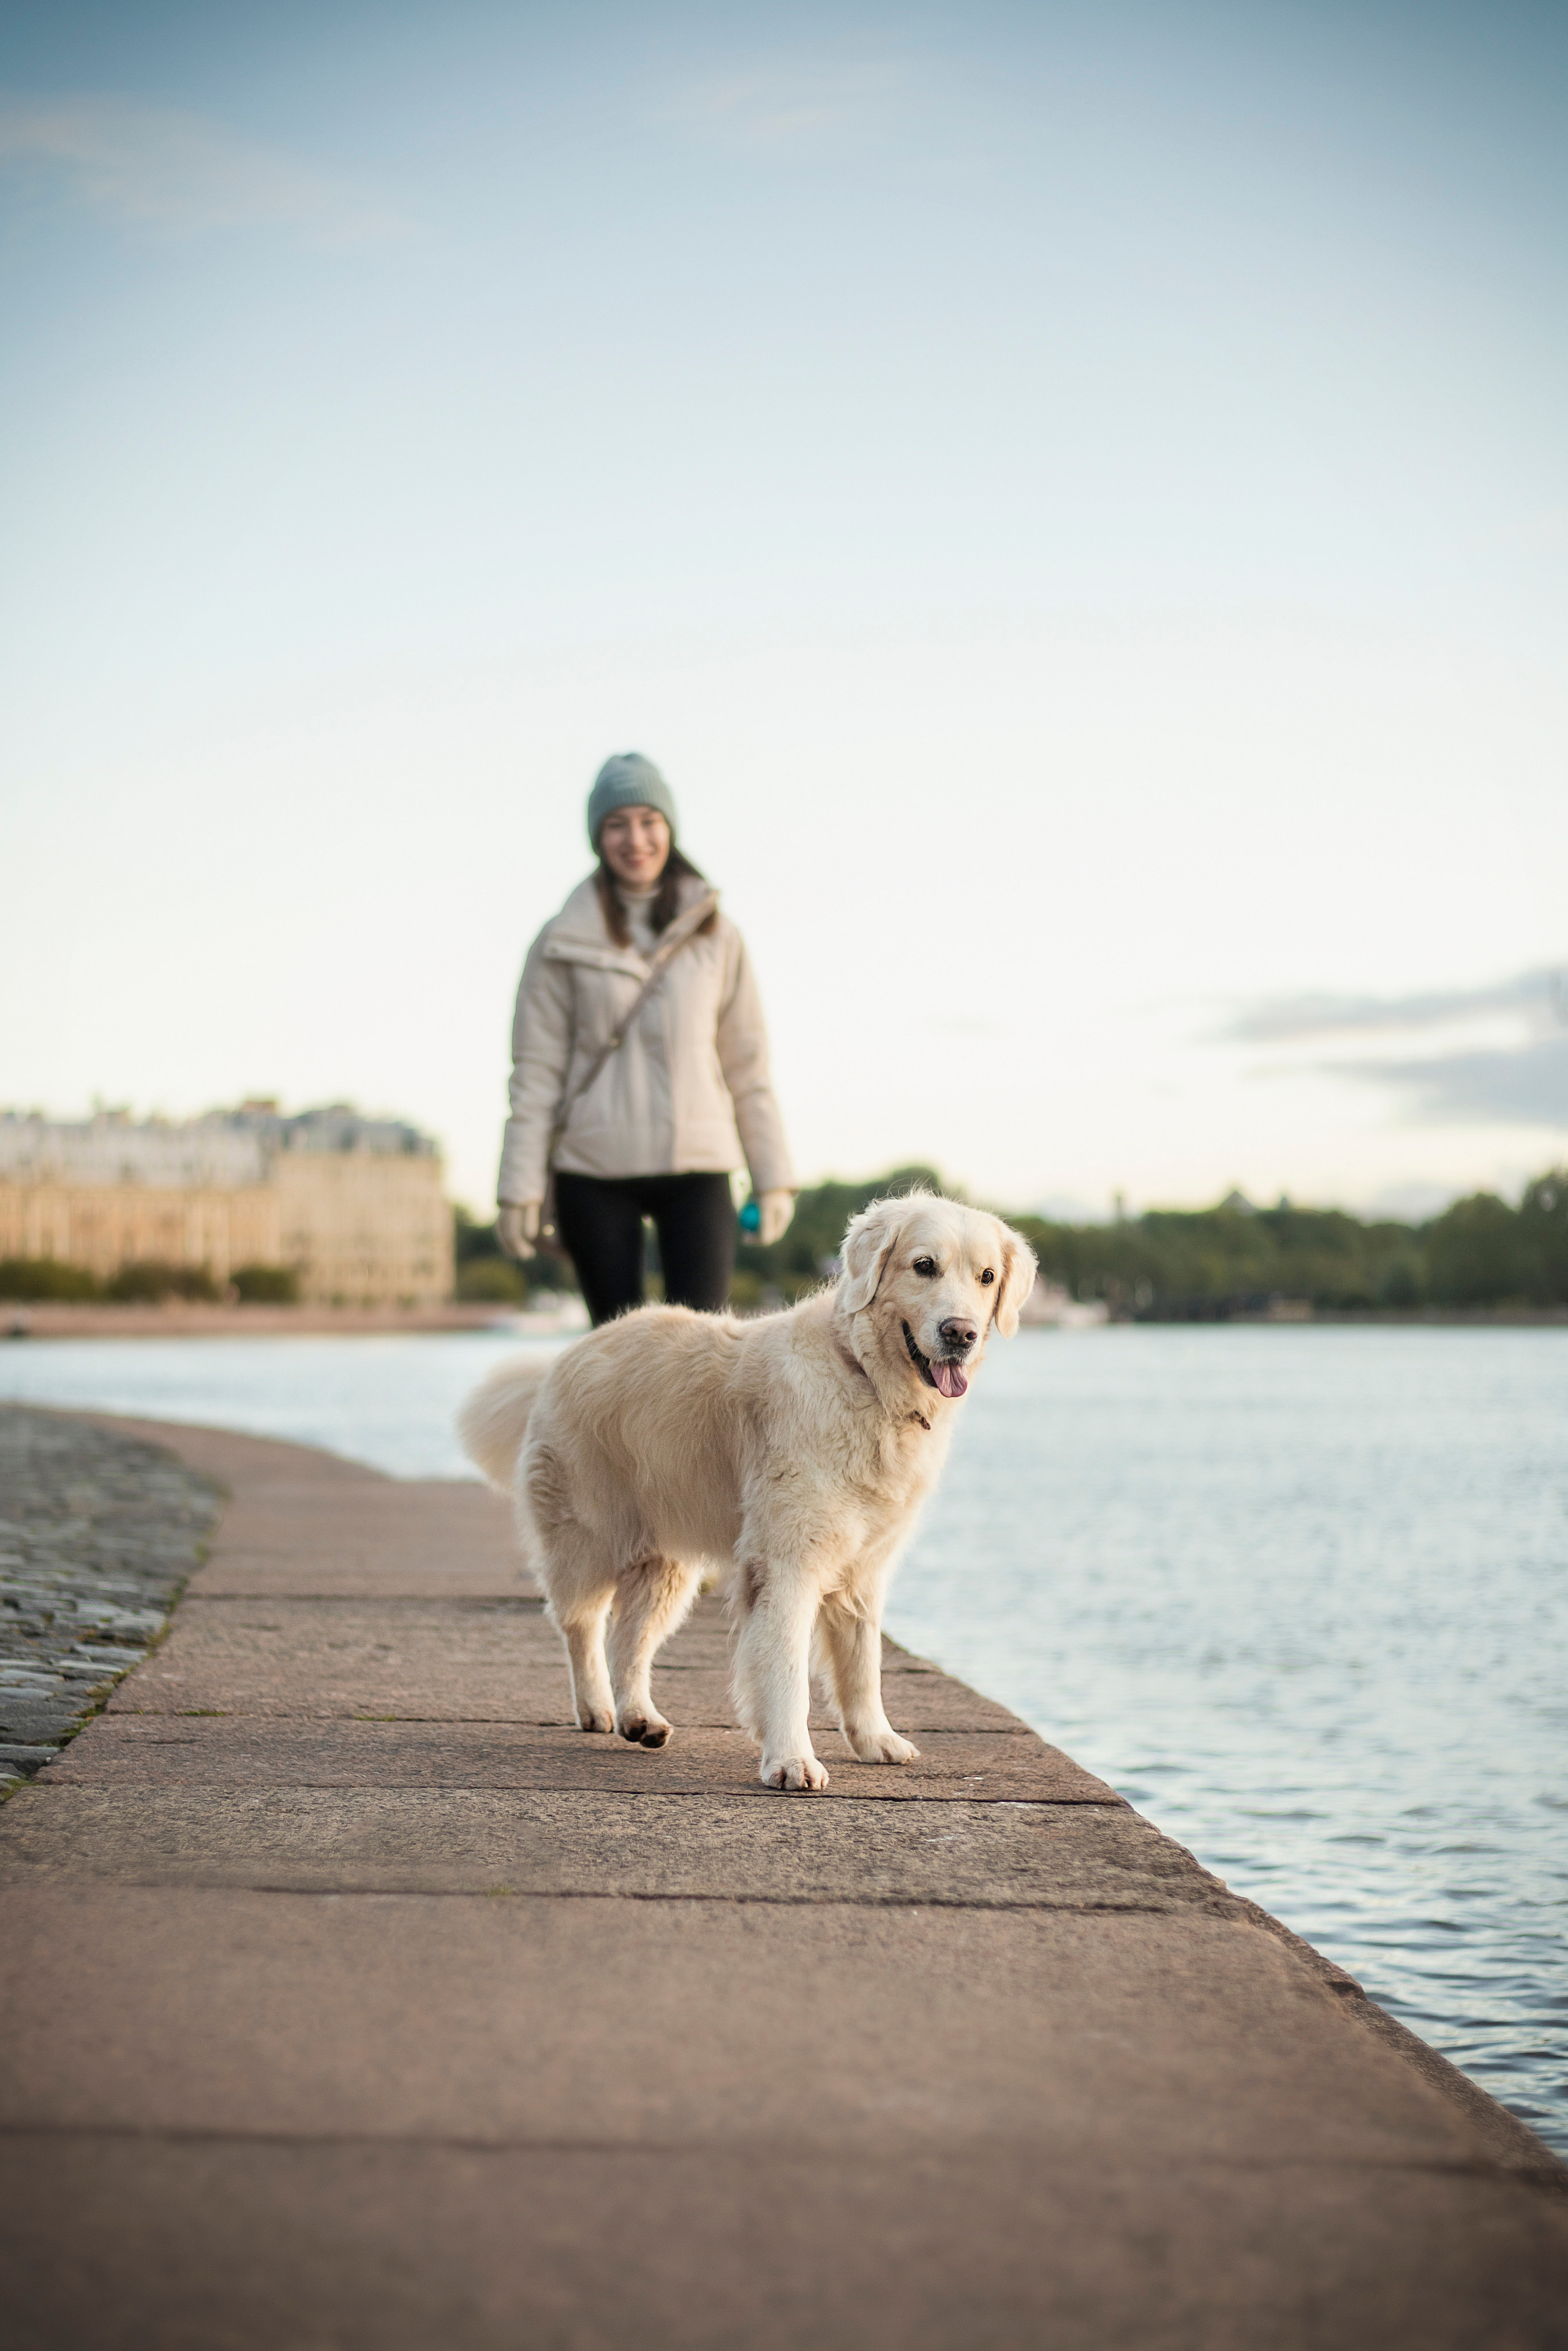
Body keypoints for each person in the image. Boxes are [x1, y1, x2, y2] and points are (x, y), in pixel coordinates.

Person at [496, 752, 795, 1323]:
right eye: (616, 824)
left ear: (670, 828)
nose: (635, 838)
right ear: (597, 837)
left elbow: (748, 1068)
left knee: (705, 1358)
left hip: (700, 1165)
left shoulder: (718, 935)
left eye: (648, 820)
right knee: (616, 1364)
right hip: (594, 1169)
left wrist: (773, 1178)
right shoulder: (560, 941)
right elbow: (535, 1073)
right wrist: (519, 1187)